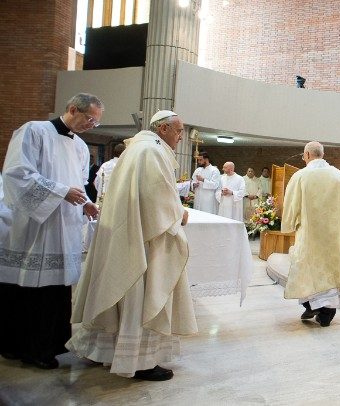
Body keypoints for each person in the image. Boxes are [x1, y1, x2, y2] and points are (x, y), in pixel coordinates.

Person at [67, 110, 197, 381]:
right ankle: (139, 360)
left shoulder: (137, 148)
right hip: (144, 238)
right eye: (178, 130)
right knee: (142, 293)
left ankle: (103, 350)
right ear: (162, 129)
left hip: (129, 233)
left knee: (122, 291)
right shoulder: (151, 151)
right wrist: (178, 212)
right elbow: (156, 196)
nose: (181, 136)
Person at [0, 92, 102, 369]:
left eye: (96, 122)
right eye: (89, 119)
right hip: (36, 227)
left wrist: (86, 204)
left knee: (56, 291)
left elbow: (78, 186)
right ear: (72, 109)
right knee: (33, 290)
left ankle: (52, 344)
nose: (92, 125)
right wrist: (59, 192)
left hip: (64, 227)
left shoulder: (80, 146)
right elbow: (16, 174)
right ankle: (28, 348)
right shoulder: (34, 131)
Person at [281, 141, 340, 327]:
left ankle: (311, 304)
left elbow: (291, 204)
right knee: (330, 271)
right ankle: (326, 311)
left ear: (307, 155)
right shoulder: (338, 175)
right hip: (333, 236)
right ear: (321, 154)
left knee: (307, 269)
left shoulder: (301, 175)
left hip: (310, 234)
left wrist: (288, 224)